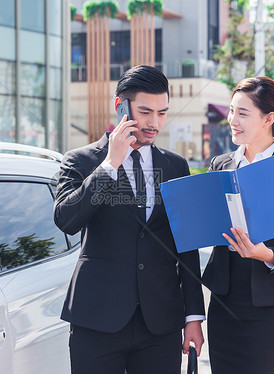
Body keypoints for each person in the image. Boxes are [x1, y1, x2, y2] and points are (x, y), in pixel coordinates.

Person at [54, 65, 205, 374]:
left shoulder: (176, 166)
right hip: (97, 321)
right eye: (146, 112)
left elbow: (186, 246)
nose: (154, 123)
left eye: (162, 113)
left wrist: (193, 317)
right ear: (120, 106)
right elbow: (66, 220)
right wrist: (111, 163)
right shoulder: (81, 161)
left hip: (160, 324)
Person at [202, 76, 274, 374]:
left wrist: (264, 253)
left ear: (269, 118)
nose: (232, 120)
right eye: (231, 111)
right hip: (224, 306)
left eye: (242, 113)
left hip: (270, 311)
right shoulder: (221, 164)